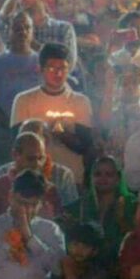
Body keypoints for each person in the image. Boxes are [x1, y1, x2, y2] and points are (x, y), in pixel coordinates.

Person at [10, 42, 93, 185]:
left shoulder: (81, 102)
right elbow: (16, 141)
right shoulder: (24, 100)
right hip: (32, 178)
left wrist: (62, 134)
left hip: (71, 176)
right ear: (41, 69)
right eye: (52, 68)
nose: (58, 73)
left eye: (63, 68)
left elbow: (85, 145)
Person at [0, 11, 40, 167]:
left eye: (27, 28)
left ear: (33, 31)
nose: (23, 32)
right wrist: (13, 126)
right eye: (18, 28)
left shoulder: (41, 62)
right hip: (5, 137)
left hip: (38, 136)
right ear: (9, 31)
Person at [0, 119, 79, 207]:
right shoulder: (3, 173)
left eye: (34, 138)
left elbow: (70, 215)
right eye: (23, 138)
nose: (29, 141)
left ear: (46, 142)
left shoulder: (62, 175)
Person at [0, 132, 62, 219]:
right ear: (15, 155)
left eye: (41, 158)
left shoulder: (50, 190)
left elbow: (60, 226)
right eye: (31, 159)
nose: (37, 164)